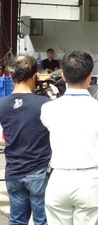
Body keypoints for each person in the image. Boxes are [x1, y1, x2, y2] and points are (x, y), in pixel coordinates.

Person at [40, 50, 98, 225]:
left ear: (63, 76)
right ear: (90, 77)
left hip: (59, 177)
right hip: (89, 178)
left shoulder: (49, 109)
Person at [0, 55, 51, 225]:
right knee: (42, 220)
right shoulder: (45, 104)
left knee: (17, 220)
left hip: (13, 171)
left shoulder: (2, 104)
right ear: (34, 76)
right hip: (38, 171)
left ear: (12, 77)